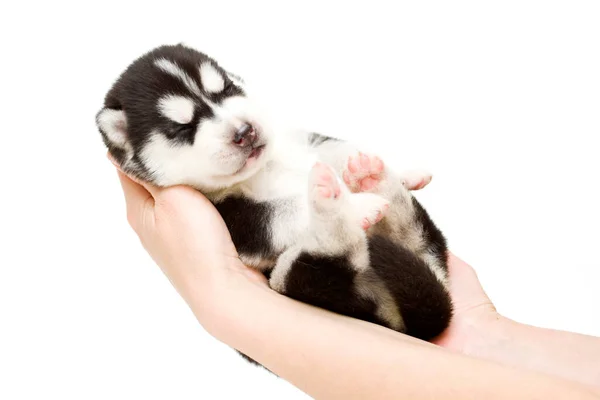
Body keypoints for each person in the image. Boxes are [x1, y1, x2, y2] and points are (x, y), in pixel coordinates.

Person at [111, 160, 600, 399]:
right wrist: (480, 332)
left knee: (317, 266)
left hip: (334, 275)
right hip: (397, 301)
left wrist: (225, 297)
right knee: (418, 283)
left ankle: (337, 237)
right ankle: (345, 234)